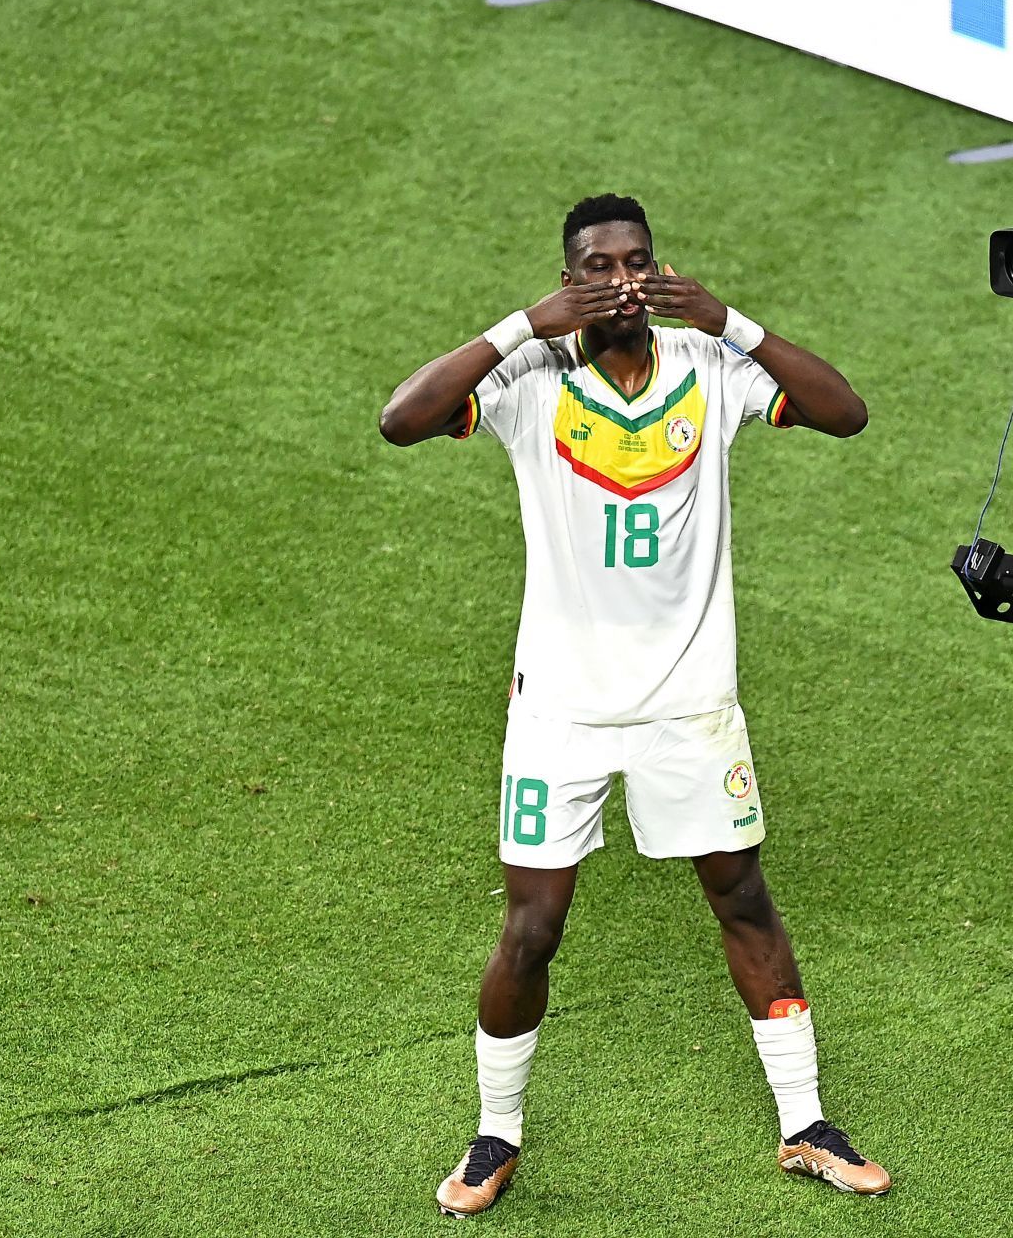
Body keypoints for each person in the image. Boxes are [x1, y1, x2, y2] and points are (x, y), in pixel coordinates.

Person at [379, 194, 890, 1212]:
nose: (619, 281)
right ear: (569, 276)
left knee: (741, 894)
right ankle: (495, 1132)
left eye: (636, 262)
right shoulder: (530, 379)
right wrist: (524, 323)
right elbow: (401, 420)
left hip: (691, 704)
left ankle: (806, 1123)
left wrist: (730, 318)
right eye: (597, 266)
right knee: (533, 924)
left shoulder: (708, 365)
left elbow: (846, 410)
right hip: (561, 707)